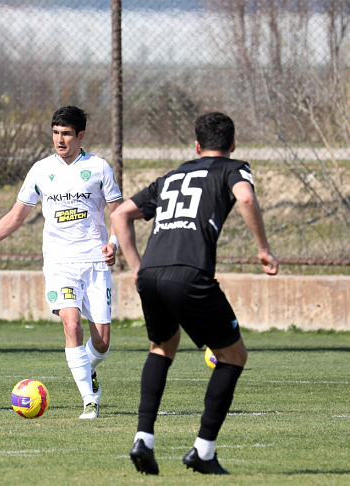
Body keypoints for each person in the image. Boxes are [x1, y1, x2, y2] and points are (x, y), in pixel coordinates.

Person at [110, 112, 279, 475]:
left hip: (151, 273)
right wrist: (264, 249)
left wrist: (137, 267)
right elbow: (246, 199)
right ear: (233, 144)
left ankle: (143, 438)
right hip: (189, 274)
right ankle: (203, 451)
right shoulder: (233, 168)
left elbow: (120, 215)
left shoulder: (172, 176)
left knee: (162, 347)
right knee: (233, 356)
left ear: (197, 145)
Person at [0, 106, 123, 419]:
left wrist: (113, 244)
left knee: (101, 342)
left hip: (94, 262)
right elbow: (16, 216)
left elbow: (119, 213)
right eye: (56, 133)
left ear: (81, 136)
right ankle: (89, 401)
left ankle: (88, 369)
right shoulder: (41, 170)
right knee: (71, 324)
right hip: (60, 262)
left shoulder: (99, 168)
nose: (60, 140)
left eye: (67, 134)